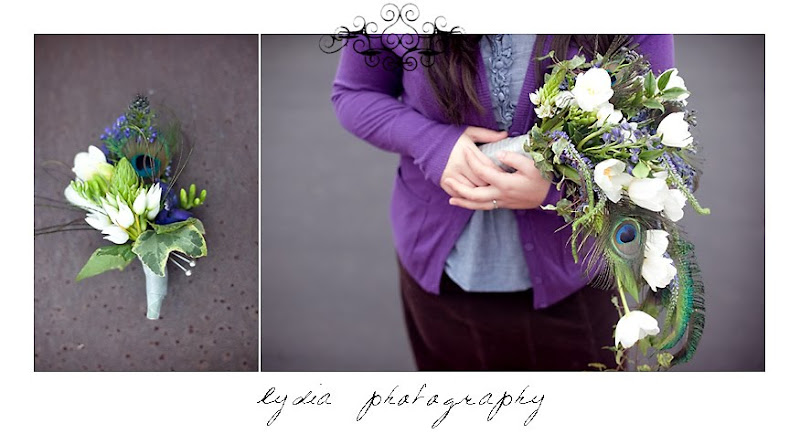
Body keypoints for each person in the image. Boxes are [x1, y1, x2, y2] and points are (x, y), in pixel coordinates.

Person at [331, 34, 675, 370]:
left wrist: (559, 191)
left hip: (573, 281)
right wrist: (431, 143)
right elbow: (355, 92)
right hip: (437, 272)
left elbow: (653, 133)